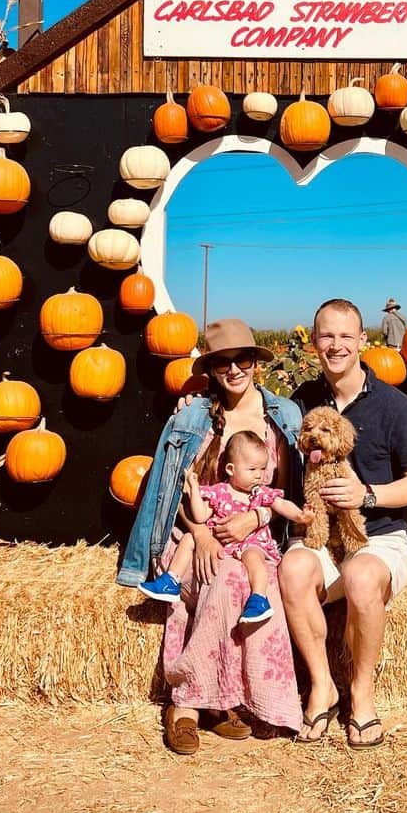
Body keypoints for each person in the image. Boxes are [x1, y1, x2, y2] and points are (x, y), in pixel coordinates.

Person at [117, 318, 304, 754]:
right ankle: (187, 705)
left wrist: (253, 520)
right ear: (211, 369)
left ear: (256, 362)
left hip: (257, 541)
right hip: (191, 534)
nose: (234, 370)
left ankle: (221, 700)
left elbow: (288, 497)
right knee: (219, 575)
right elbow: (173, 487)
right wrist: (201, 534)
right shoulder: (193, 417)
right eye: (223, 363)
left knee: (240, 581)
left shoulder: (285, 416)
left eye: (242, 360)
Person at [281, 298, 407, 748]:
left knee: (361, 575)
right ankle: (323, 686)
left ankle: (360, 694)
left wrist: (367, 495)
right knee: (292, 570)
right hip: (319, 534)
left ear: (363, 341)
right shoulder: (300, 402)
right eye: (327, 336)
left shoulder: (394, 405)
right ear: (314, 342)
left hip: (378, 535)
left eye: (346, 336)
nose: (336, 345)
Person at [138, 430, 314, 626]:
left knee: (254, 558)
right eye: (252, 469)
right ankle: (171, 581)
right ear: (231, 469)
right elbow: (200, 515)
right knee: (188, 538)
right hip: (221, 541)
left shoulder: (261, 493)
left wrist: (299, 515)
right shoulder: (219, 491)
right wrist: (195, 490)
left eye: (263, 469)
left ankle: (259, 598)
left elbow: (281, 505)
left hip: (252, 542)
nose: (260, 475)